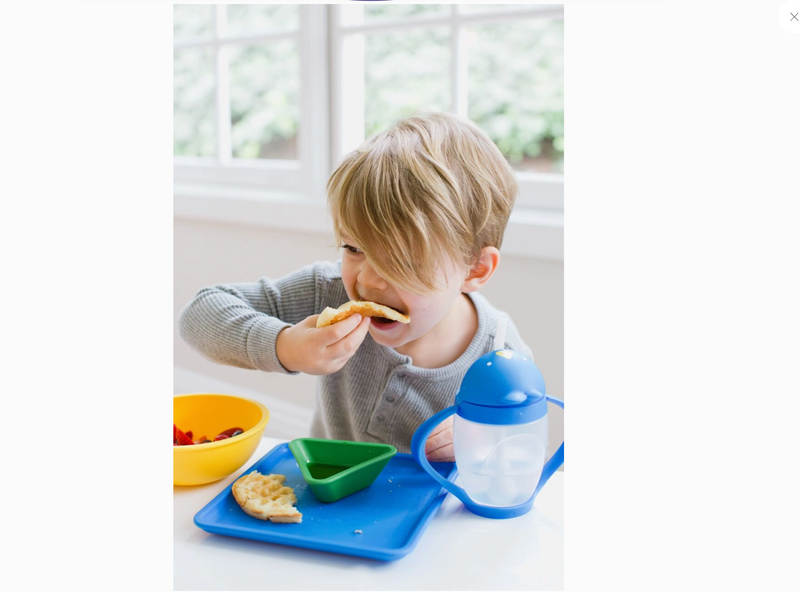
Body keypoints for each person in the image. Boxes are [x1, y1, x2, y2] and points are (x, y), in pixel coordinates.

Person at [178, 112, 533, 462]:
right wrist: (285, 346)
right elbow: (200, 314)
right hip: (328, 501)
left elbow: (527, 452)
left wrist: (484, 441)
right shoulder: (329, 291)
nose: (367, 281)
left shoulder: (501, 355)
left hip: (438, 517)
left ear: (475, 269)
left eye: (403, 261)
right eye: (353, 248)